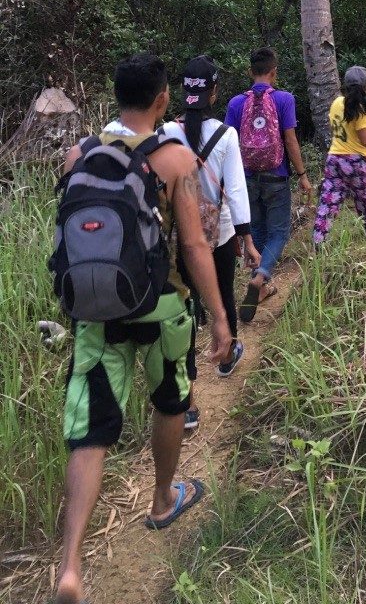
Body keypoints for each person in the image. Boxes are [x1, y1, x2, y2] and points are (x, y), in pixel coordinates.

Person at [53, 53, 231, 604]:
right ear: (162, 100)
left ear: (115, 94)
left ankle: (70, 565)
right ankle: (160, 499)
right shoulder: (175, 160)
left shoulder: (78, 154)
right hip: (160, 308)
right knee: (170, 402)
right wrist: (221, 319)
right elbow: (196, 247)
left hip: (95, 314)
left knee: (91, 430)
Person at [162, 55, 261, 431]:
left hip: (177, 238)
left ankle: (185, 403)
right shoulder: (226, 136)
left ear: (184, 92)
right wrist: (248, 240)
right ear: (215, 92)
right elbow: (235, 192)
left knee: (183, 306)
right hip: (216, 233)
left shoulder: (166, 134)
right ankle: (226, 355)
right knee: (223, 293)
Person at [225, 47, 313, 321]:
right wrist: (302, 175)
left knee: (259, 233)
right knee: (279, 233)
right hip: (277, 176)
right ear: (274, 72)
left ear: (250, 72)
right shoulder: (285, 99)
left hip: (247, 177)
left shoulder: (235, 103)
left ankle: (259, 285)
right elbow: (290, 140)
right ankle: (261, 276)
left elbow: (228, 144)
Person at [313, 65, 366, 246]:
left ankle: (319, 241)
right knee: (365, 200)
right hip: (357, 162)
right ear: (365, 87)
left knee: (328, 201)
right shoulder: (360, 110)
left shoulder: (336, 103)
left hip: (335, 159)